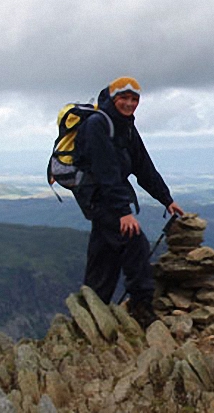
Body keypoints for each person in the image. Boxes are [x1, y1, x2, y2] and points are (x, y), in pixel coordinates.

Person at [72, 76, 184, 329]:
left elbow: (143, 167)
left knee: (104, 254)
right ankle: (142, 306)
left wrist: (166, 199)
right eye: (124, 97)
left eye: (134, 99)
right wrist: (123, 211)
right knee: (134, 242)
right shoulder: (97, 124)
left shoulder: (126, 127)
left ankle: (90, 313)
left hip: (108, 197)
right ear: (112, 98)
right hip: (99, 197)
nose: (129, 103)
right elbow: (105, 170)